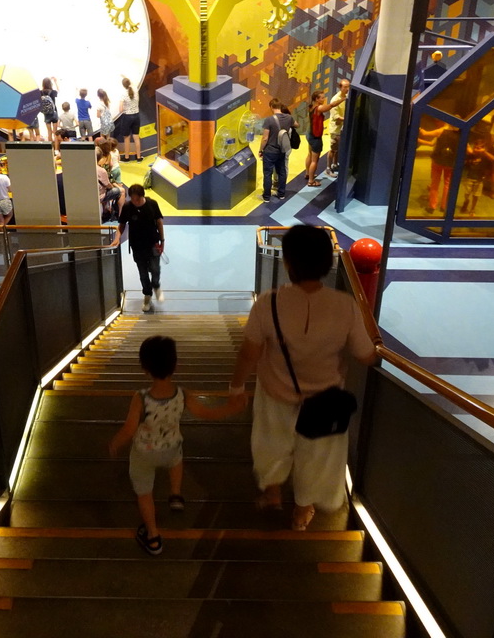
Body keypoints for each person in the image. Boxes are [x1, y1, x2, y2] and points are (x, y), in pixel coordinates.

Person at [228, 225, 376, 531]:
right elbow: (365, 356)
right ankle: (302, 509)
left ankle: (272, 491)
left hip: (275, 395)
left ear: (289, 263)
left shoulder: (267, 303)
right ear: (326, 263)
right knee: (315, 458)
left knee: (271, 445)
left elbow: (249, 353)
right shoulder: (345, 306)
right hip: (324, 402)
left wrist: (237, 386)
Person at [109, 335, 242, 555]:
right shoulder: (182, 394)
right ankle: (176, 494)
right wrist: (232, 408)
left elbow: (129, 429)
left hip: (144, 453)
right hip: (170, 447)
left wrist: (116, 443)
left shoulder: (140, 398)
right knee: (177, 460)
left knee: (144, 493)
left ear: (145, 369)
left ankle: (152, 535)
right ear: (175, 365)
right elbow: (206, 413)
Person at [112, 185, 164, 313]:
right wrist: (117, 238)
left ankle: (156, 286)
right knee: (143, 273)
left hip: (152, 243)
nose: (135, 202)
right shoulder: (128, 207)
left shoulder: (152, 204)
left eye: (138, 199)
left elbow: (159, 223)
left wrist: (162, 241)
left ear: (142, 196)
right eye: (133, 199)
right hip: (137, 245)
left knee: (155, 269)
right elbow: (122, 225)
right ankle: (147, 295)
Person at [257, 98, 293, 202]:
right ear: (281, 106)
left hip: (270, 151)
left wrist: (261, 150)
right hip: (282, 150)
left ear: (271, 107)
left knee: (268, 173)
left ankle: (266, 196)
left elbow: (265, 138)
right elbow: (296, 125)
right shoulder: (289, 118)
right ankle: (281, 194)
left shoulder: (269, 120)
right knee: (282, 171)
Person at [305, 89, 343, 188]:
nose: (324, 98)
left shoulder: (311, 107)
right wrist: (343, 99)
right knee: (315, 160)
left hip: (309, 134)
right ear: (317, 99)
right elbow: (331, 105)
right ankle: (311, 181)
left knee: (309, 155)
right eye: (322, 97)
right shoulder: (319, 108)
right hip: (315, 137)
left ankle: (308, 173)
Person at [460, 136, 494, 217]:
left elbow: (493, 158)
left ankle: (472, 209)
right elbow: (464, 161)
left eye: (479, 148)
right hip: (469, 177)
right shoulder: (471, 155)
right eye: (475, 147)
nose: (477, 149)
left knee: (476, 195)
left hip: (479, 179)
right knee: (467, 193)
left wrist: (484, 152)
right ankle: (466, 201)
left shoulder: (484, 156)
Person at [325, 79, 350, 178]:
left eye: (348, 86)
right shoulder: (335, 99)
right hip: (335, 129)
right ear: (340, 87)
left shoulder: (347, 97)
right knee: (333, 149)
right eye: (345, 87)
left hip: (343, 127)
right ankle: (328, 168)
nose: (347, 89)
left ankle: (335, 165)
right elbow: (336, 117)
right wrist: (348, 118)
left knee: (338, 149)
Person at [118, 78, 142, 162]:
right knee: (136, 137)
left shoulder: (123, 94)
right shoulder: (135, 89)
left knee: (126, 138)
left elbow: (120, 109)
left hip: (127, 117)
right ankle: (139, 157)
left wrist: (125, 108)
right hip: (136, 116)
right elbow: (133, 82)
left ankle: (127, 157)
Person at [39, 76, 60, 144]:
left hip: (46, 113)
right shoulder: (53, 92)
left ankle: (51, 147)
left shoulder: (41, 92)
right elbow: (58, 90)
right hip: (54, 112)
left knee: (49, 132)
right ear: (50, 84)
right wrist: (55, 81)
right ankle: (56, 148)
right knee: (55, 132)